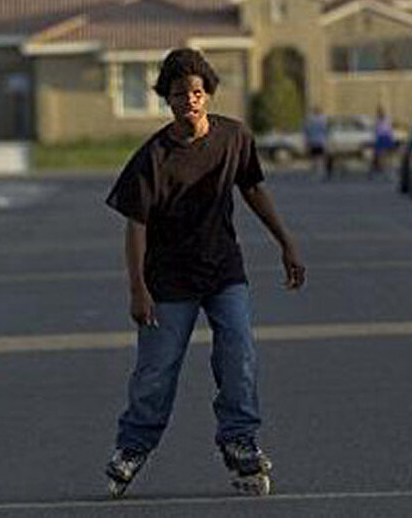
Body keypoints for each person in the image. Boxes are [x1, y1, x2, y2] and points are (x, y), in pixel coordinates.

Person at [104, 48, 306, 498]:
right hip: (169, 279)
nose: (190, 100)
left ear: (208, 94)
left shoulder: (234, 138)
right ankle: (132, 448)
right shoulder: (153, 157)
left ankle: (240, 440)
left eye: (197, 92)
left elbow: (253, 189)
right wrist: (138, 289)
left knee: (239, 351)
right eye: (179, 94)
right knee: (157, 369)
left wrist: (285, 242)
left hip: (223, 270)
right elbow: (135, 226)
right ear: (167, 100)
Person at [303, 105, 329, 179]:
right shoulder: (323, 120)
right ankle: (320, 173)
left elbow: (306, 131)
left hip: (313, 141)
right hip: (320, 141)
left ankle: (316, 173)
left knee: (315, 158)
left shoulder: (310, 120)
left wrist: (306, 141)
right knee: (320, 158)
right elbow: (325, 131)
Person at [371, 105, 395, 178]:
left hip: (386, 137)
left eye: (380, 111)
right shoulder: (377, 119)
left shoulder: (387, 118)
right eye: (378, 112)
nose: (379, 113)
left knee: (386, 155)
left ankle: (387, 169)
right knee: (379, 155)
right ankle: (381, 168)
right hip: (380, 138)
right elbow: (376, 130)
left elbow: (390, 129)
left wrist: (391, 138)